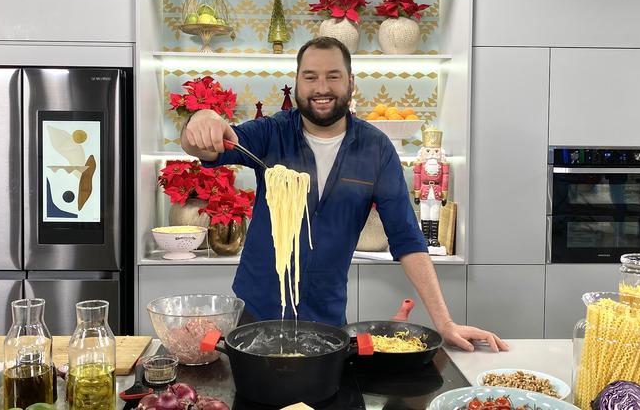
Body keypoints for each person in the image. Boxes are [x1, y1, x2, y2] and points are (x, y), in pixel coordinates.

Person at [181, 36, 508, 352]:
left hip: (327, 321)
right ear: (297, 82)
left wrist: (445, 322)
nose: (321, 87)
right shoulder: (272, 133)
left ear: (351, 82)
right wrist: (202, 119)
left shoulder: (376, 149)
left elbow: (407, 239)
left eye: (333, 76)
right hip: (256, 315)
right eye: (310, 77)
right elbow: (208, 148)